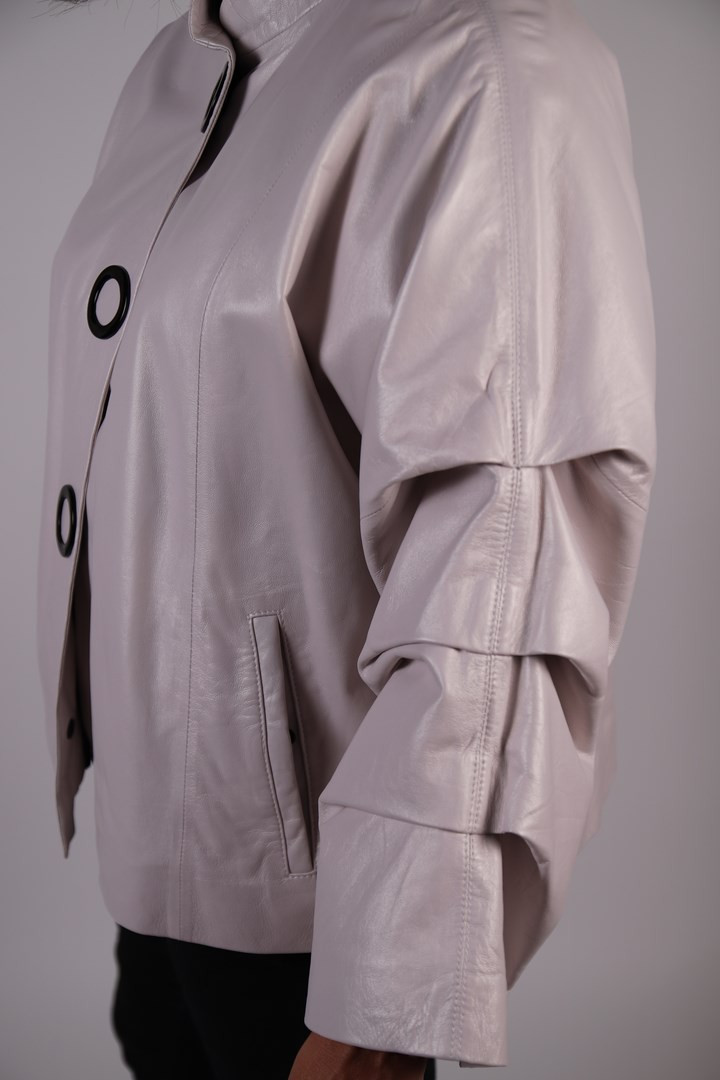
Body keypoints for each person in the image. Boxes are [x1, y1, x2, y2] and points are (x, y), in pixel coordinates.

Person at [37, 0, 656, 1077]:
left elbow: (503, 550)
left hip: (321, 929)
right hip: (155, 877)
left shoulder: (479, 64)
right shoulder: (178, 63)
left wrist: (387, 992)